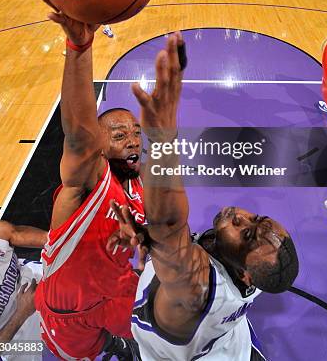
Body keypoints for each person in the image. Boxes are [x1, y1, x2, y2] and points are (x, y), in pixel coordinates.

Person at [110, 32, 299, 361]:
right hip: (229, 345)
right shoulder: (252, 269)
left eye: (246, 233)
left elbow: (169, 225)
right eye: (256, 219)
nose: (241, 217)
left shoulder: (194, 286)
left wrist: (162, 137)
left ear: (244, 275)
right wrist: (148, 238)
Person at [26, 0, 145, 360]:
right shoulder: (84, 184)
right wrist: (79, 47)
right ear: (102, 147)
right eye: (118, 134)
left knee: (178, 328)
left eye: (135, 132)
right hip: (70, 309)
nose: (131, 139)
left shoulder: (145, 184)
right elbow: (78, 134)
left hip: (115, 286)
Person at [0, 219, 46, 361]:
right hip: (16, 336)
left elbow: (49, 239)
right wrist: (22, 313)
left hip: (38, 282)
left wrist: (63, 244)